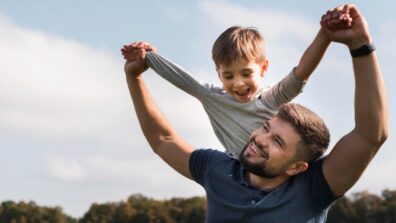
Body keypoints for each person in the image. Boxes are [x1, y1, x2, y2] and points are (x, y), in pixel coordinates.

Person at [124, 4, 388, 222]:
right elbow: (163, 140)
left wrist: (361, 46)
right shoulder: (217, 170)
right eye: (266, 128)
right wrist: (134, 77)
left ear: (298, 167)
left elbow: (370, 135)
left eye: (278, 142)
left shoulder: (314, 189)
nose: (261, 138)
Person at [121, 15, 352, 159]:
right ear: (218, 74)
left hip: (283, 171)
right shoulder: (213, 97)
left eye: (246, 73)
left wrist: (325, 35)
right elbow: (181, 78)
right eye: (228, 76)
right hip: (240, 173)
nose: (238, 83)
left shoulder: (270, 99)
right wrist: (148, 57)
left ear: (263, 69)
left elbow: (301, 72)